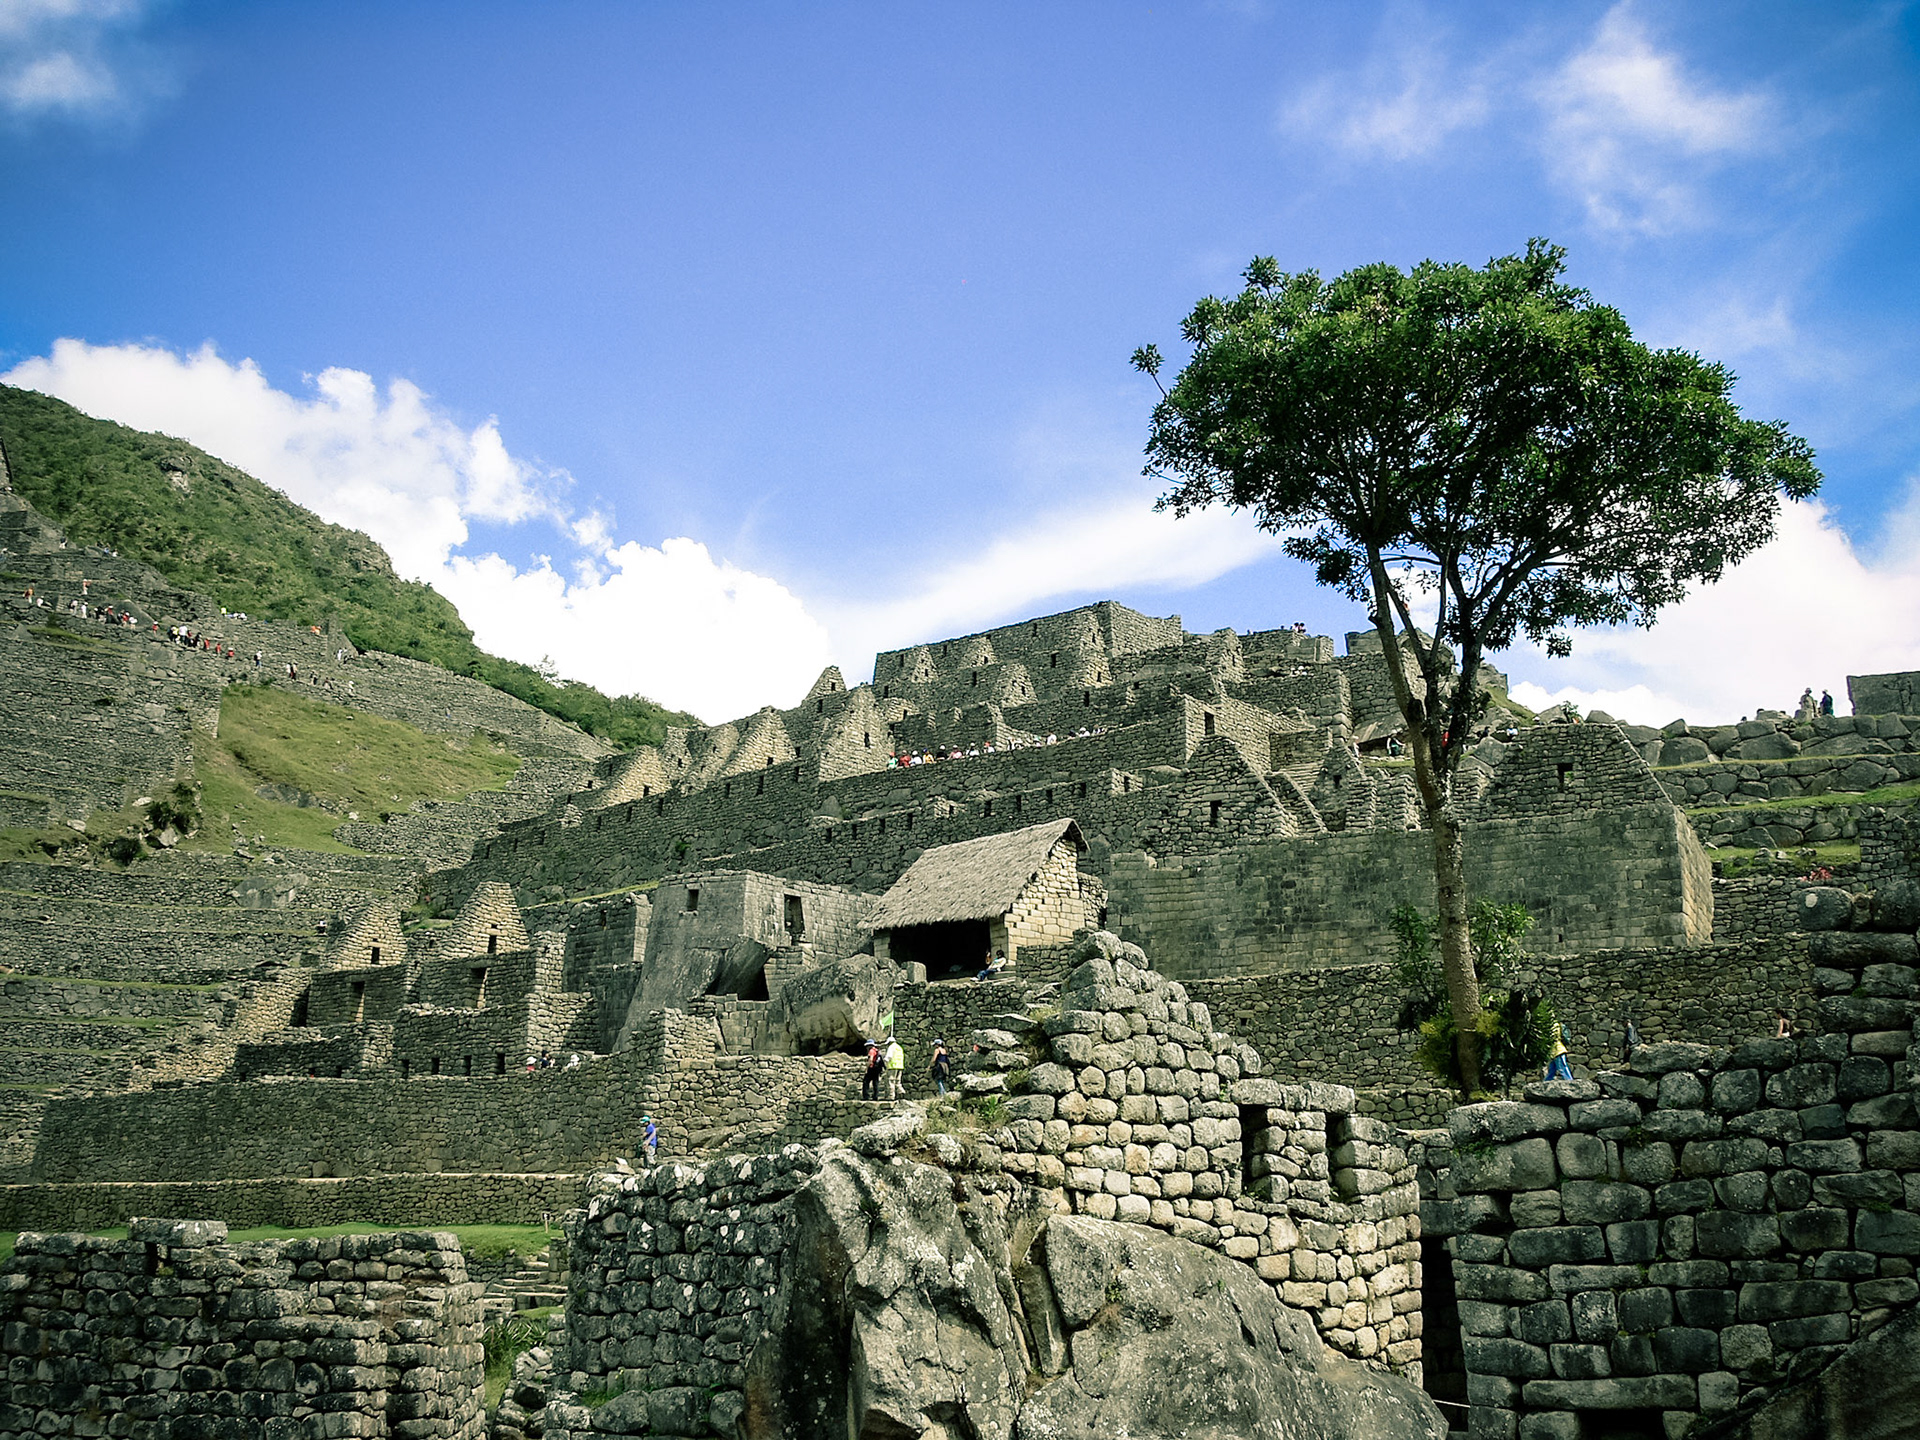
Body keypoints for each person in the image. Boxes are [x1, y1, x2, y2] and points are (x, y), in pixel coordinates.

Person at [883, 1035, 906, 1100]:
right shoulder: (899, 1047)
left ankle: (891, 1096)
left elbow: (889, 1056)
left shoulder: (891, 1047)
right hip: (900, 1066)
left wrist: (885, 1062)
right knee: (898, 1081)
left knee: (891, 1081)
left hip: (892, 1067)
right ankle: (901, 1091)